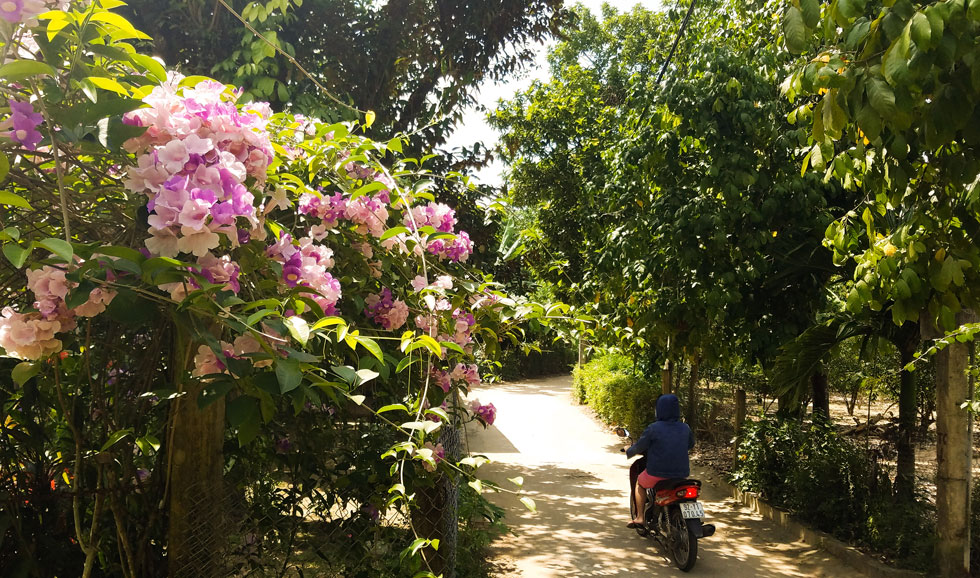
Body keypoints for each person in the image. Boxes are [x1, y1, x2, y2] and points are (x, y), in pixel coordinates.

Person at [626, 393, 695, 527]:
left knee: (640, 483)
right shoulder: (685, 428)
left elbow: (640, 446)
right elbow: (690, 445)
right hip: (681, 474)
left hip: (656, 473)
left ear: (659, 409)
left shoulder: (654, 428)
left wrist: (629, 450)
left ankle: (640, 517)